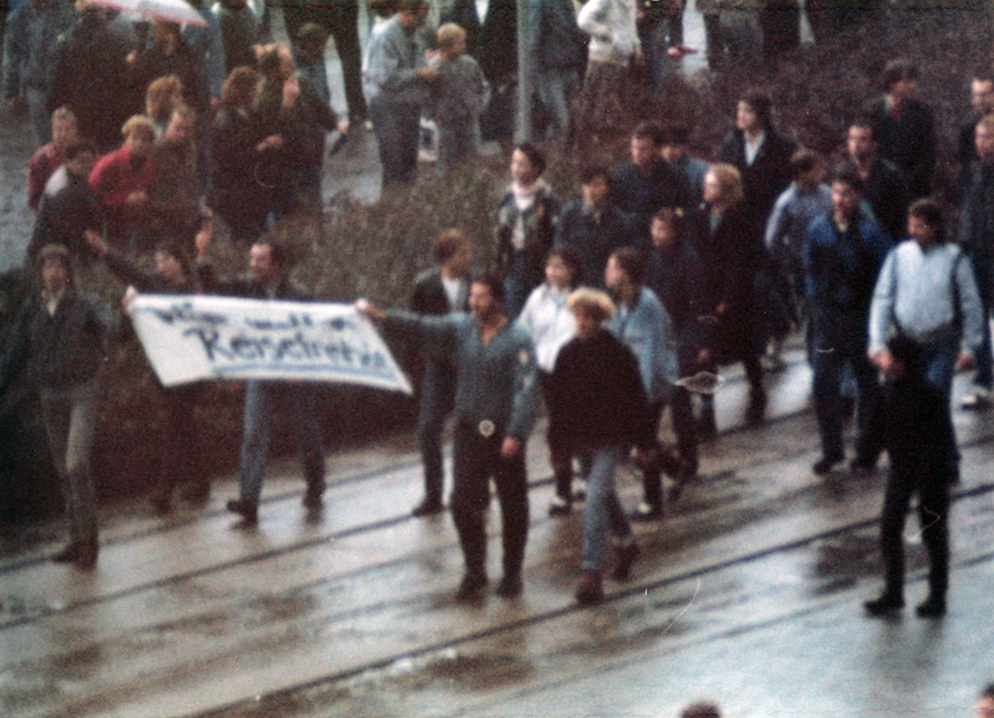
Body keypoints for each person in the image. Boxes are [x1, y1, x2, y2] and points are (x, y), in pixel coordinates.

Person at [361, 274, 539, 601]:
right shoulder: (462, 327)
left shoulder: (518, 338)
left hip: (501, 431)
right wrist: (382, 316)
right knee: (461, 502)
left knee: (512, 504)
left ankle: (512, 572)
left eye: (482, 297)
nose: (474, 303)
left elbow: (527, 389)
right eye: (472, 297)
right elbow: (422, 326)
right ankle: (475, 569)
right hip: (469, 428)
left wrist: (517, 432)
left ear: (498, 301)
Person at [0, 244, 119, 569]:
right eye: (47, 267)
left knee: (75, 464)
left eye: (58, 267)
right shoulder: (32, 309)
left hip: (82, 391)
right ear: (40, 273)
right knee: (62, 470)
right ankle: (76, 537)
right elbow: (16, 353)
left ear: (68, 272)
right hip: (50, 395)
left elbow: (110, 322)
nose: (52, 272)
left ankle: (90, 540)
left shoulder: (84, 303)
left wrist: (109, 324)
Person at [198, 239, 326, 526]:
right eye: (252, 258)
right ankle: (249, 500)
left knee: (305, 430)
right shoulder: (247, 289)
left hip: (292, 371)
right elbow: (214, 288)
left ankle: (315, 483)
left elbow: (313, 334)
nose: (254, 265)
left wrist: (303, 367)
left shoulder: (299, 296)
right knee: (254, 434)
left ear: (277, 264)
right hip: (261, 369)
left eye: (261, 260)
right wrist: (203, 254)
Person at [85, 231, 210, 514]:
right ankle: (200, 480)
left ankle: (165, 490)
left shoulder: (195, 286)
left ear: (179, 260)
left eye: (166, 259)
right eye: (158, 261)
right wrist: (105, 251)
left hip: (192, 368)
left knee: (176, 425)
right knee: (183, 424)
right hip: (166, 367)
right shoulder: (155, 285)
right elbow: (131, 273)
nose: (161, 265)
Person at [547, 288, 648, 605]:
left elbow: (636, 399)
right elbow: (558, 404)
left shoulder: (617, 353)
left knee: (594, 498)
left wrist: (643, 442)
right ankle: (626, 541)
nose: (582, 322)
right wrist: (557, 446)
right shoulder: (567, 354)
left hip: (610, 438)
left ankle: (591, 570)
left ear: (600, 319)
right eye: (578, 316)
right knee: (602, 493)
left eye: (588, 317)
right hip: (580, 438)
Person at [803, 164, 890, 475]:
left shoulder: (871, 233)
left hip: (860, 317)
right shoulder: (818, 228)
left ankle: (866, 451)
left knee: (867, 384)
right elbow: (809, 267)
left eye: (847, 193)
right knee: (823, 382)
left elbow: (886, 275)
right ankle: (831, 450)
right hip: (828, 318)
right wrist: (816, 302)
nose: (839, 199)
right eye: (836, 193)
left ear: (858, 196)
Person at [862, 335, 956, 619]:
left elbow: (943, 434)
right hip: (903, 467)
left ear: (901, 363)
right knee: (891, 526)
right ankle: (895, 593)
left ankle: (936, 595)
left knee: (932, 532)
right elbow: (877, 428)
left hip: (930, 471)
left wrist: (946, 467)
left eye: (888, 355)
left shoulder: (928, 393)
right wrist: (866, 456)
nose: (882, 359)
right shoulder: (887, 391)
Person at [605, 247, 683, 520]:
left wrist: (642, 399)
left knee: (643, 444)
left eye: (612, 267)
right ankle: (675, 468)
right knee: (639, 439)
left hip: (654, 383)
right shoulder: (620, 301)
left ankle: (652, 502)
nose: (607, 272)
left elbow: (651, 357)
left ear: (625, 274)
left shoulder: (648, 306)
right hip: (633, 384)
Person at [692, 163, 767, 429]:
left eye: (712, 185)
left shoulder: (741, 218)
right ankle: (707, 409)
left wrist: (728, 298)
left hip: (735, 296)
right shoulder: (701, 215)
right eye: (706, 184)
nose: (706, 189)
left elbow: (742, 263)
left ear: (726, 190)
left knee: (744, 347)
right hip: (706, 291)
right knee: (706, 350)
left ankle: (757, 389)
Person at [409, 229, 472, 517]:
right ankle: (433, 493)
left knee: (473, 427)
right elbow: (415, 326)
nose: (467, 259)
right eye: (462, 254)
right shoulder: (426, 285)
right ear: (447, 257)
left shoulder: (476, 283)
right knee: (428, 427)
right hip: (437, 364)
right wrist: (411, 366)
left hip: (469, 363)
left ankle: (473, 488)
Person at [518, 248, 583, 516]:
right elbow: (524, 329)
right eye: (549, 267)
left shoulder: (582, 298)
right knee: (558, 429)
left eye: (559, 267)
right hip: (546, 370)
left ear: (572, 270)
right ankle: (563, 489)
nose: (553, 272)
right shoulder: (538, 297)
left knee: (576, 425)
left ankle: (583, 477)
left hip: (575, 371)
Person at [645, 208, 709, 480]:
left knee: (678, 399)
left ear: (675, 232)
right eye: (654, 228)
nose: (657, 234)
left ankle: (688, 458)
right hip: (660, 335)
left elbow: (699, 303)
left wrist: (701, 342)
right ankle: (658, 453)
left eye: (663, 229)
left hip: (683, 334)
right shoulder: (654, 258)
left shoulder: (689, 259)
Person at [363, 0, 438, 187]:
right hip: (386, 105)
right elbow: (384, 78)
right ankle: (392, 201)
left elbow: (418, 60)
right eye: (420, 18)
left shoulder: (414, 32)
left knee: (409, 163)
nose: (423, 22)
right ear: (406, 13)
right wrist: (417, 73)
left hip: (409, 103)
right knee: (394, 163)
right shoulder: (385, 35)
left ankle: (408, 200)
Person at [764, 149, 832, 334]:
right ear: (802, 173)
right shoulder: (787, 202)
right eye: (816, 170)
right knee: (811, 316)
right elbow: (772, 238)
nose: (821, 173)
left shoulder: (828, 194)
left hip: (831, 261)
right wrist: (788, 261)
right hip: (804, 267)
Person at [47, 1, 130, 153]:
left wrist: (55, 110)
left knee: (73, 156)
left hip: (74, 111)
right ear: (100, 14)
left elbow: (56, 81)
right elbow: (123, 81)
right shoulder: (115, 41)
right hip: (105, 113)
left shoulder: (65, 40)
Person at [495, 143, 560, 319]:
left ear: (535, 168)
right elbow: (499, 236)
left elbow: (556, 237)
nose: (516, 168)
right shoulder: (507, 197)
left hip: (540, 267)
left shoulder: (548, 199)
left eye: (521, 164)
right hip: (512, 265)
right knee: (514, 315)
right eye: (514, 162)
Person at [717, 88, 796, 231]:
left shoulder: (783, 147)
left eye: (747, 111)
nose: (740, 115)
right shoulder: (730, 144)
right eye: (739, 110)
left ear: (762, 115)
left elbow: (786, 187)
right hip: (734, 224)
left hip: (768, 222)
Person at [2, 0, 76, 146]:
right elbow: (11, 56)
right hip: (37, 87)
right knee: (45, 140)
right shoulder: (19, 17)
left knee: (67, 139)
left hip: (64, 88)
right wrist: (11, 90)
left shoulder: (67, 14)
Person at [209, 66, 269, 246]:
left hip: (250, 192)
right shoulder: (225, 120)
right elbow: (231, 158)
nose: (257, 94)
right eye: (254, 90)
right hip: (235, 195)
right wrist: (261, 147)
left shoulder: (248, 114)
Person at [441, 0, 516, 143]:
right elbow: (450, 28)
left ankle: (505, 150)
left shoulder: (505, 3)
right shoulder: (462, 4)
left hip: (498, 68)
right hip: (470, 69)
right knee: (471, 118)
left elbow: (513, 34)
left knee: (501, 118)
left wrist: (512, 66)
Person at [959, 114, 994, 410]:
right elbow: (968, 210)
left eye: (988, 137)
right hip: (978, 251)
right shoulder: (972, 170)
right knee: (977, 316)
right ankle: (984, 380)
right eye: (979, 137)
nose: (982, 143)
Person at [864, 58, 936, 201]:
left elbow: (928, 155)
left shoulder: (923, 113)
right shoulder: (871, 112)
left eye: (914, 81)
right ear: (892, 83)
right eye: (907, 81)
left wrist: (908, 182)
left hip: (912, 189)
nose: (914, 86)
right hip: (879, 187)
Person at [553, 166, 632, 289]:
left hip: (605, 282)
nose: (591, 190)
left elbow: (622, 255)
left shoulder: (618, 219)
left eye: (597, 185)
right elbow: (560, 248)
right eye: (587, 185)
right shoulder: (569, 214)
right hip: (575, 281)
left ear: (607, 188)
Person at [613, 121, 690, 245]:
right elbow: (616, 210)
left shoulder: (676, 176)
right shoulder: (623, 176)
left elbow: (685, 209)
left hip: (665, 240)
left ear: (657, 149)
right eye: (634, 148)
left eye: (643, 149)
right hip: (632, 239)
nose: (637, 153)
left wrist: (674, 215)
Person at [575, 0, 642, 142]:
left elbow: (630, 26)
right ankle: (593, 140)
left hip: (622, 58)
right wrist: (609, 34)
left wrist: (637, 48)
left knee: (615, 103)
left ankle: (609, 139)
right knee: (599, 103)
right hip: (602, 59)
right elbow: (583, 20)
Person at [88, 114, 156, 249]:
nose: (139, 144)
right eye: (134, 138)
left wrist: (145, 199)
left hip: (134, 227)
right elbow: (91, 194)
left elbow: (151, 192)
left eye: (144, 140)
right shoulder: (109, 162)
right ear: (126, 139)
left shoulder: (148, 165)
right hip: (107, 227)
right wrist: (124, 200)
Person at [27, 138, 100, 264]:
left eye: (90, 161)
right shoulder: (63, 188)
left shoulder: (75, 176)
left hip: (69, 238)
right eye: (80, 162)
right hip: (53, 249)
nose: (87, 166)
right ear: (68, 161)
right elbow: (66, 230)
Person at [431, 23, 489, 173]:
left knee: (471, 158)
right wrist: (433, 113)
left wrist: (479, 106)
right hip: (446, 121)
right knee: (446, 160)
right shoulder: (435, 67)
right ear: (447, 45)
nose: (464, 45)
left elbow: (483, 86)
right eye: (460, 42)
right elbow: (427, 95)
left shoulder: (470, 64)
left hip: (468, 118)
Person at [145, 104, 203, 251]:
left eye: (187, 129)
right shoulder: (154, 150)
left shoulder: (191, 148)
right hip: (160, 217)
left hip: (186, 216)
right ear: (169, 124)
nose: (182, 134)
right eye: (178, 128)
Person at [845, 118, 911, 245]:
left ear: (874, 144)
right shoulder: (843, 173)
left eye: (862, 140)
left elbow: (901, 216)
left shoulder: (890, 174)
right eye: (852, 139)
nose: (856, 144)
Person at [27, 106, 78, 211]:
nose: (63, 134)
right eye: (58, 130)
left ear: (75, 131)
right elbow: (34, 198)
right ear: (52, 131)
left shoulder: (85, 154)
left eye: (67, 129)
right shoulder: (41, 158)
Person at [957, 72, 994, 188]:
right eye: (976, 95)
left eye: (984, 95)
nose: (980, 100)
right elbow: (964, 160)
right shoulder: (968, 125)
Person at [659, 123, 709, 208]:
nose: (669, 152)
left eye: (674, 147)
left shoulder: (701, 170)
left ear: (684, 147)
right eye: (664, 147)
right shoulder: (655, 169)